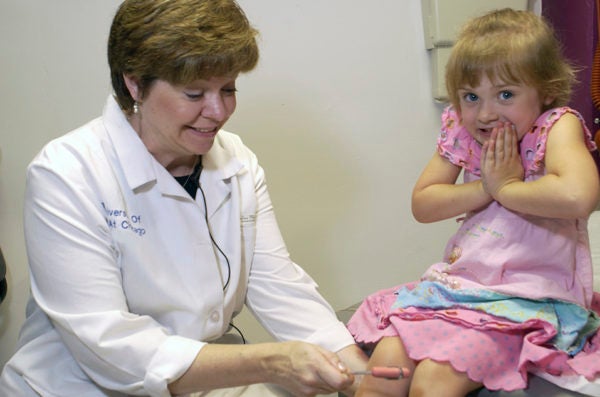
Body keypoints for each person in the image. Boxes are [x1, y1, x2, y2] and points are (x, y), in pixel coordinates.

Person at [0, 0, 368, 395]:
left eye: (228, 89)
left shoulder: (236, 163)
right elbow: (111, 347)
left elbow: (281, 289)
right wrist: (272, 360)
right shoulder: (67, 173)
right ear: (134, 83)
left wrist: (362, 377)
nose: (218, 111)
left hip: (196, 383)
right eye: (194, 94)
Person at [346, 8, 600, 397]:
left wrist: (508, 187)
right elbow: (424, 204)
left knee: (433, 383)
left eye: (505, 94)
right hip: (458, 288)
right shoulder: (465, 132)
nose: (485, 112)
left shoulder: (554, 126)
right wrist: (486, 187)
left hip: (527, 296)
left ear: (546, 90)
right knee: (382, 374)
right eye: (470, 96)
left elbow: (579, 196)